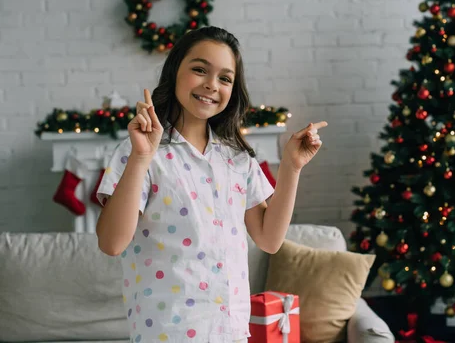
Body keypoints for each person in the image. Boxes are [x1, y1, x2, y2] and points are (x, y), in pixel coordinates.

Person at [95, 26, 327, 343]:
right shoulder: (141, 153)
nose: (211, 85)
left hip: (230, 330)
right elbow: (111, 243)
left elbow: (270, 240)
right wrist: (140, 156)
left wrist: (292, 166)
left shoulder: (237, 160)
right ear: (175, 70)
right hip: (167, 331)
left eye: (225, 78)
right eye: (200, 69)